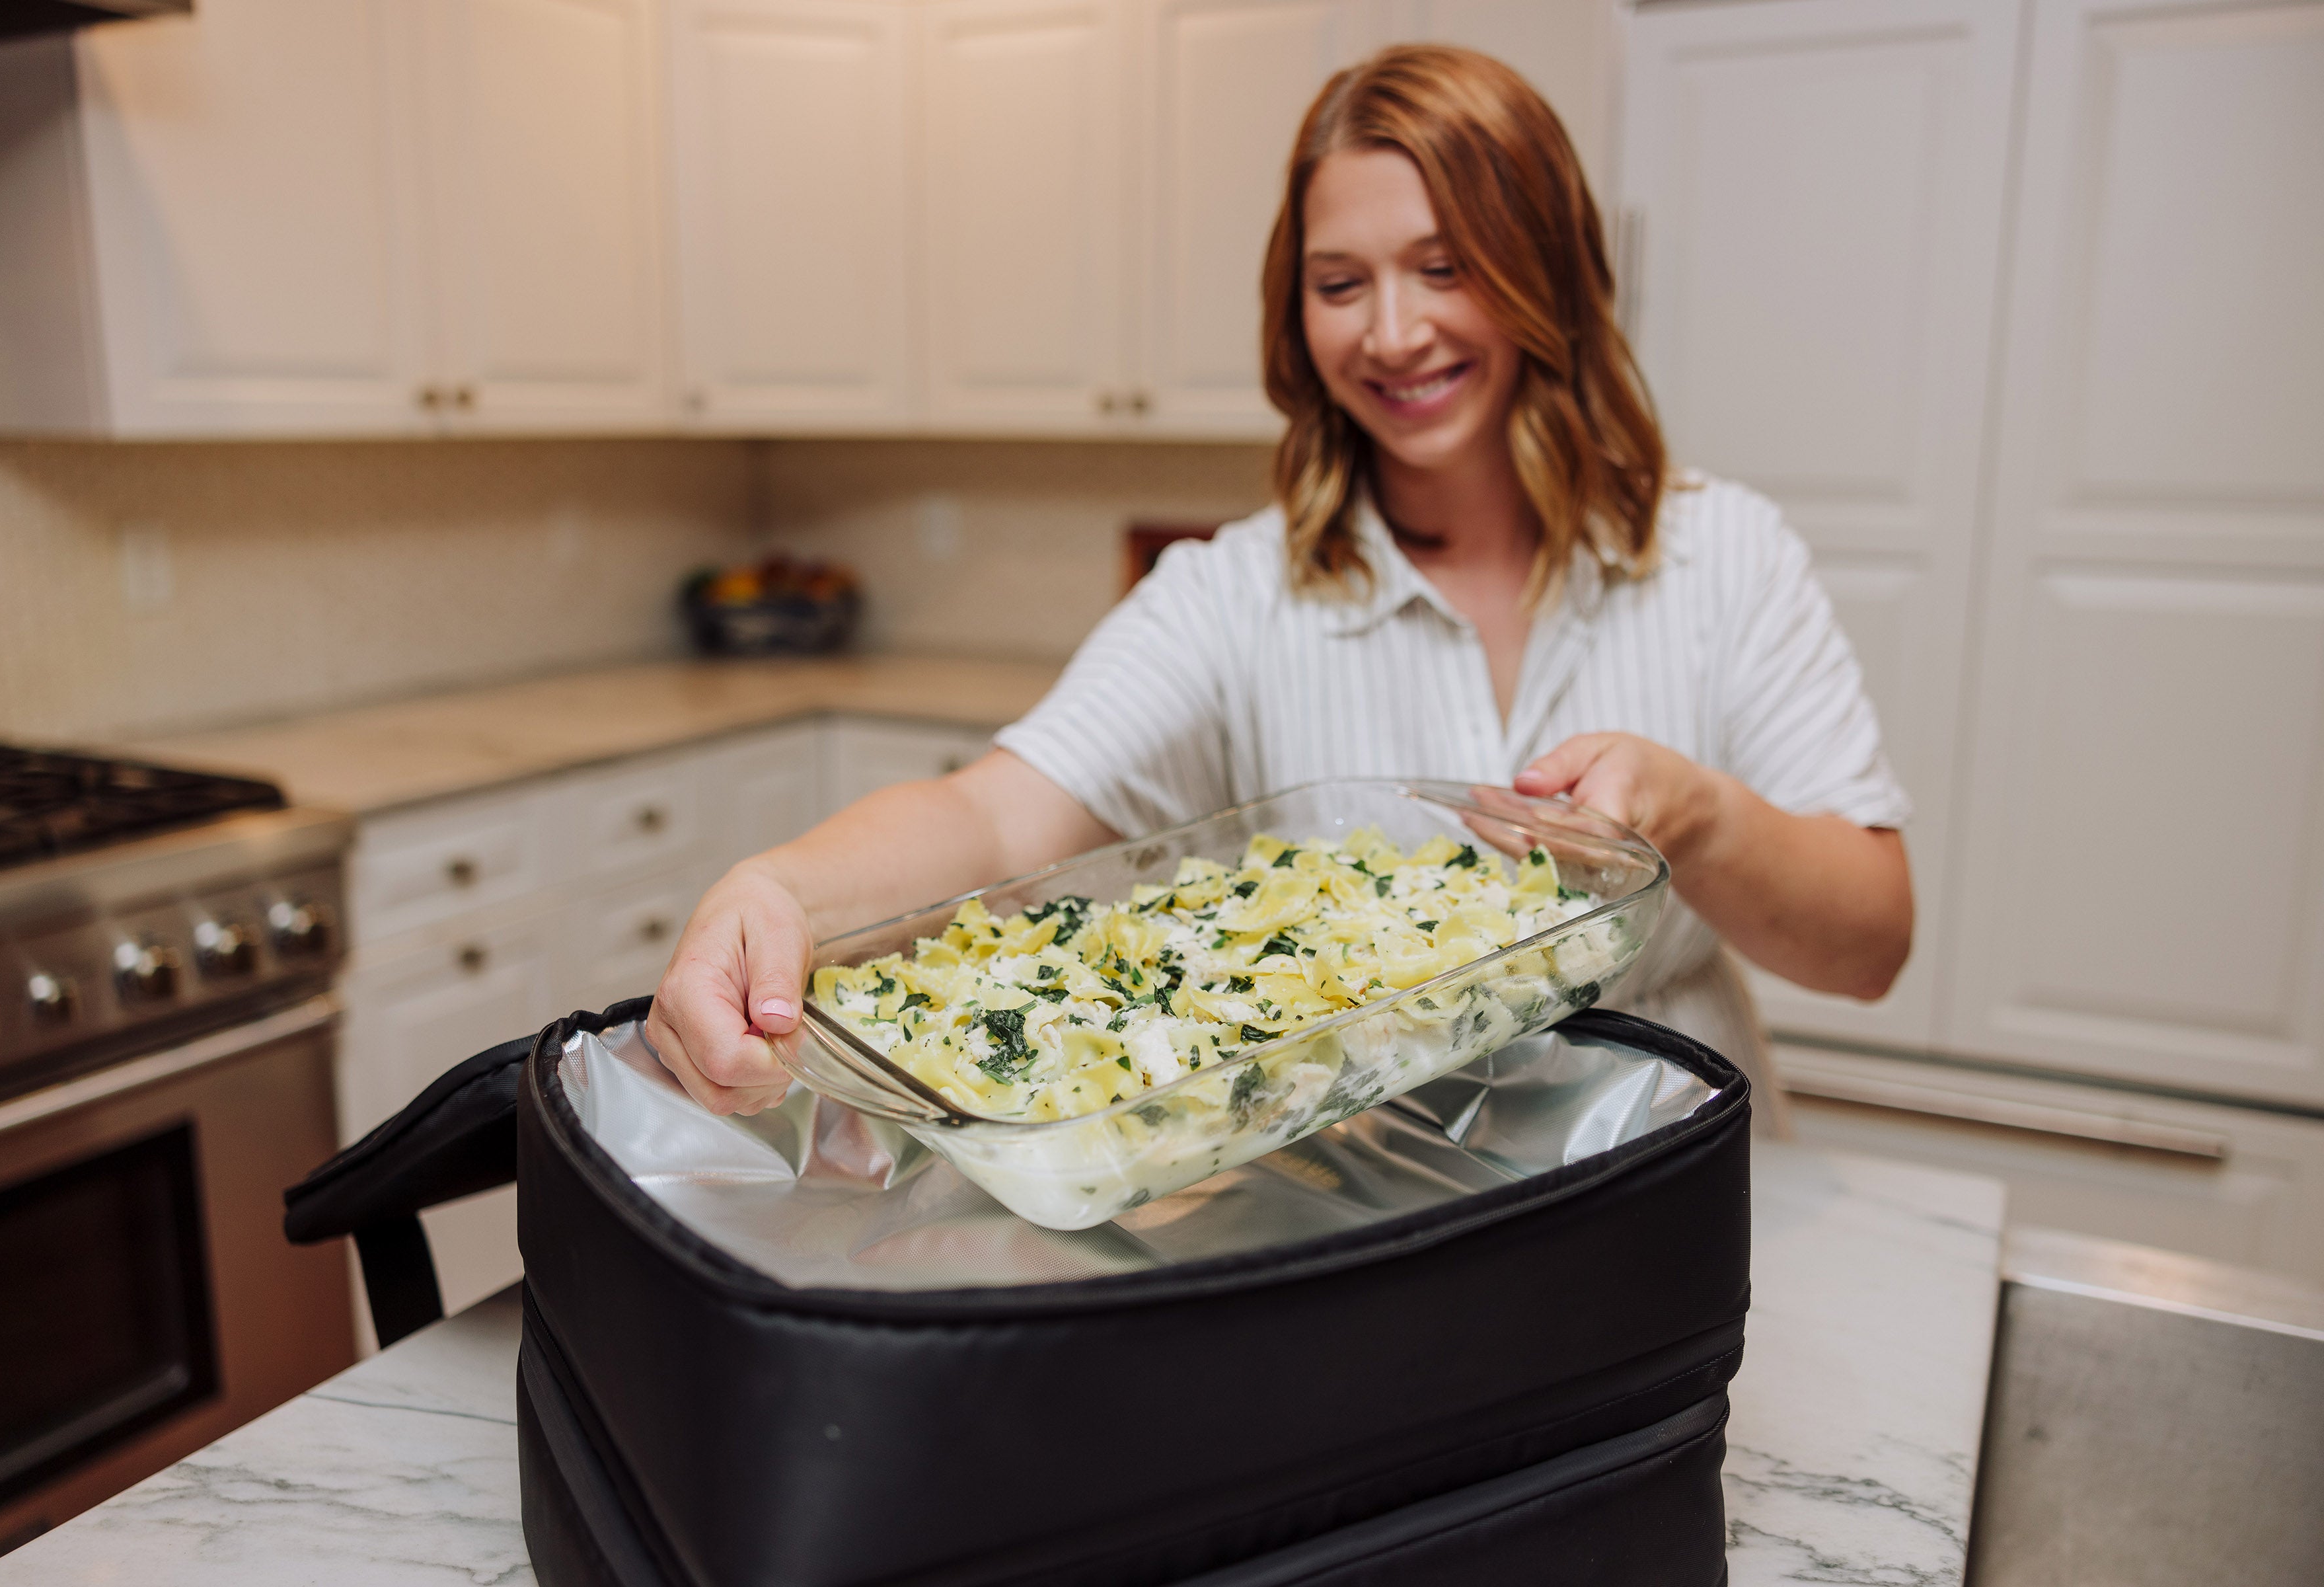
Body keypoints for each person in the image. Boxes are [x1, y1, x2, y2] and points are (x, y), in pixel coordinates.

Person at [648, 44, 1912, 1136]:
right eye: (1340, 282)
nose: (1393, 332)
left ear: (1549, 277)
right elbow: (989, 820)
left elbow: (1869, 946)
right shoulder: (1231, 595)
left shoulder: (1727, 556)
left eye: (1447, 266)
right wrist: (776, 893)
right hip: (1367, 1209)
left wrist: (1695, 817)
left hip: (1676, 1180)